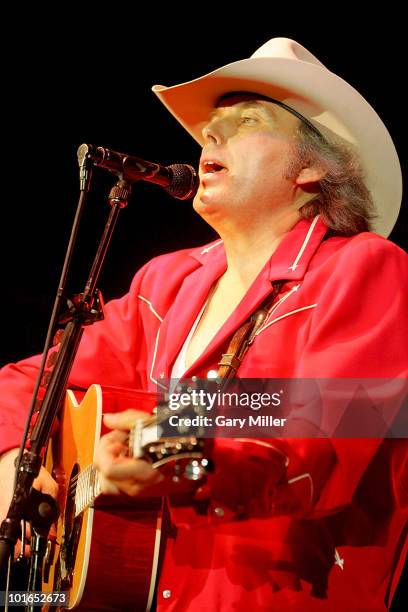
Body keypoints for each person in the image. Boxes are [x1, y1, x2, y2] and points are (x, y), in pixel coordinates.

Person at [0, 37, 407, 611]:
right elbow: (23, 382)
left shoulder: (364, 266)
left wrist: (178, 436)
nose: (210, 137)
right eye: (210, 128)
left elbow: (332, 426)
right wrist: (13, 461)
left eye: (246, 122)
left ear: (313, 167)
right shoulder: (164, 284)